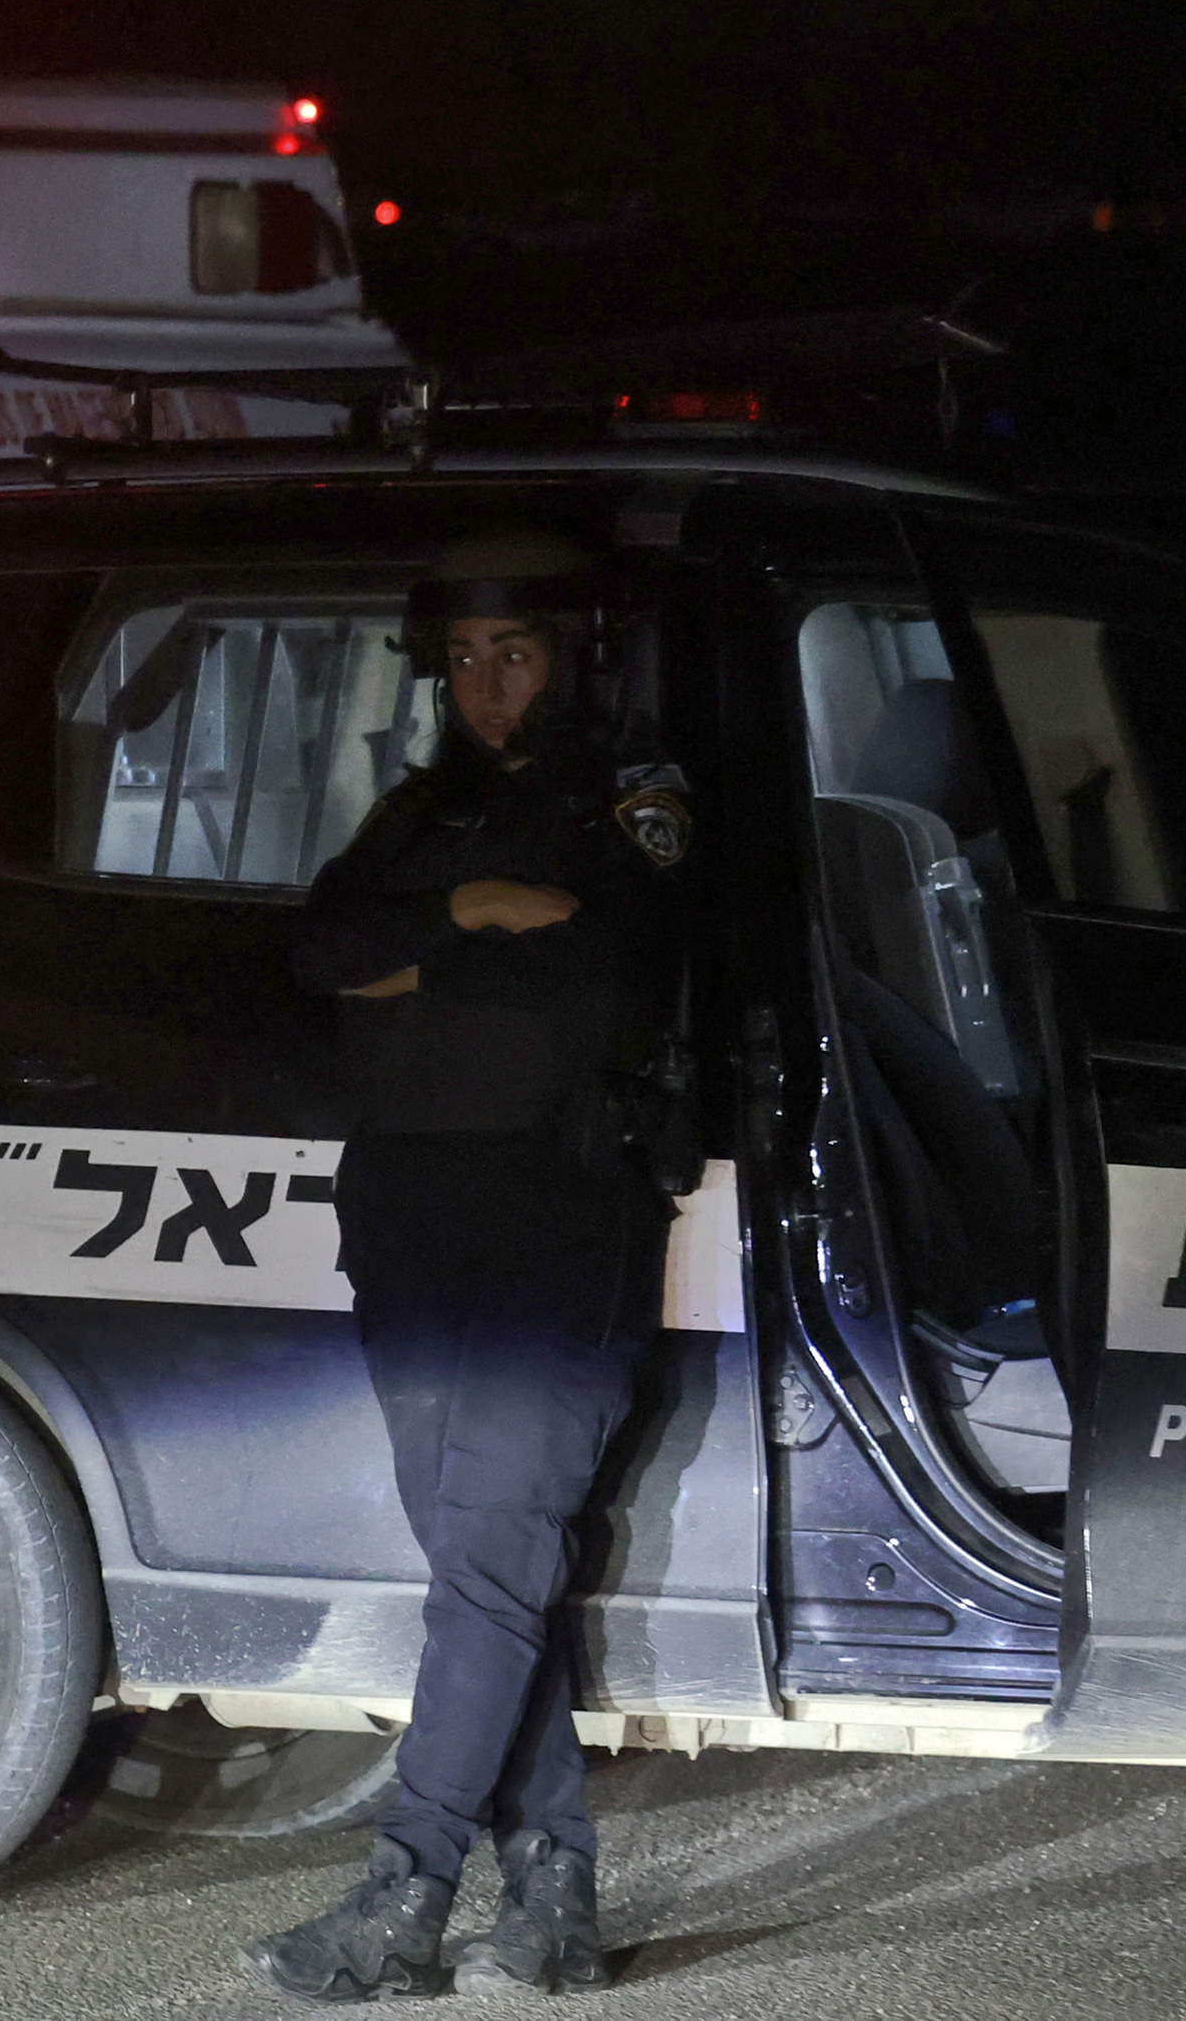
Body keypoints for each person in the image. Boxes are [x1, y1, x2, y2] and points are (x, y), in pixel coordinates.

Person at [244, 527, 697, 2003]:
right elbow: (313, 956)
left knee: (492, 1557)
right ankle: (555, 1894)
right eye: (463, 662)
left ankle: (406, 1894)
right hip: (411, 1213)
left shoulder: (633, 796)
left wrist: (422, 957)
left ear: (570, 658)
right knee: (477, 1564)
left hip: (557, 1208)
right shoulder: (422, 817)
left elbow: (605, 964)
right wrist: (467, 915)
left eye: (514, 654)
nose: (489, 687)